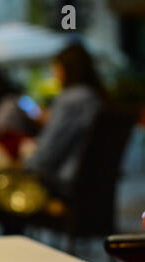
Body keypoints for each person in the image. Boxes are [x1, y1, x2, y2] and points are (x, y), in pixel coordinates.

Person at [25, 42, 107, 197]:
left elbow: (47, 154)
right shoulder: (97, 99)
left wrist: (24, 166)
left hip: (62, 185)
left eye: (56, 68)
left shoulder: (71, 100)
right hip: (92, 184)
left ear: (66, 69)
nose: (55, 74)